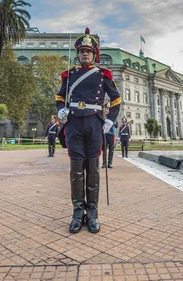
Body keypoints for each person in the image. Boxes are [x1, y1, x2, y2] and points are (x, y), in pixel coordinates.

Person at [55, 27, 121, 234]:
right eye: (82, 51)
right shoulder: (70, 74)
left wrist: (110, 119)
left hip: (94, 123)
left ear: (94, 55)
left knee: (92, 168)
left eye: (88, 51)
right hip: (74, 123)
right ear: (78, 54)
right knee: (76, 170)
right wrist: (61, 110)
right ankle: (77, 212)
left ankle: (92, 213)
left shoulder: (102, 74)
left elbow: (116, 98)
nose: (85, 54)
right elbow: (59, 97)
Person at [101, 103, 116, 169]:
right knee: (104, 149)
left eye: (108, 109)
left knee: (111, 149)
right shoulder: (102, 116)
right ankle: (104, 163)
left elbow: (116, 125)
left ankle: (109, 163)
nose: (106, 110)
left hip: (111, 134)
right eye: (106, 108)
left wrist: (113, 122)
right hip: (104, 134)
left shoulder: (112, 117)